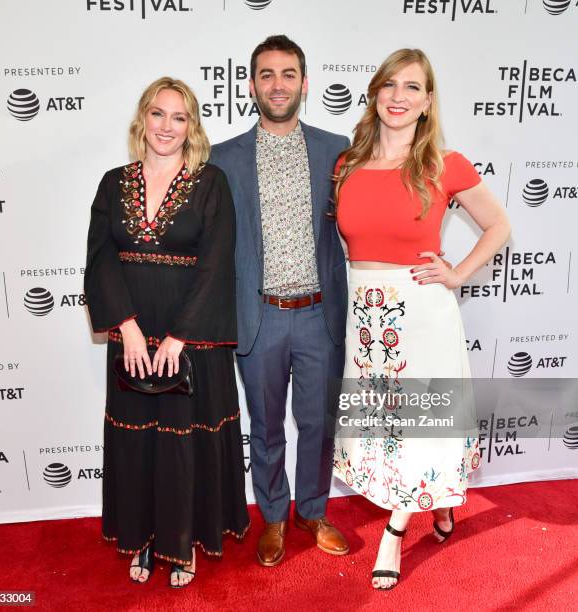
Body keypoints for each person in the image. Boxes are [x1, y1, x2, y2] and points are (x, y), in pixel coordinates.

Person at [332, 48, 511, 590]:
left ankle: (393, 531)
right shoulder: (347, 165)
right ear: (375, 93)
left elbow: (498, 225)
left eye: (412, 87)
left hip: (421, 314)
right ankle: (436, 501)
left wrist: (457, 274)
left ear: (428, 101)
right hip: (366, 315)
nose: (399, 97)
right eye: (390, 85)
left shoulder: (444, 164)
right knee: (386, 428)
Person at [84, 77, 249, 588]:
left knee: (183, 444)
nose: (167, 126)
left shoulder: (211, 182)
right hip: (134, 332)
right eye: (159, 114)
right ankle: (145, 538)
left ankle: (184, 543)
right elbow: (100, 257)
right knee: (138, 443)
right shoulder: (114, 182)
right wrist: (127, 328)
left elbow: (217, 264)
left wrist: (179, 338)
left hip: (192, 338)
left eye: (179, 117)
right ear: (143, 119)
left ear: (191, 127)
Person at [210, 35, 350, 567]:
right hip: (259, 316)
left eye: (288, 74)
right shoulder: (223, 160)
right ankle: (272, 517)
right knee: (266, 426)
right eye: (267, 75)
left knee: (318, 423)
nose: (278, 85)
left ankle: (312, 511)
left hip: (320, 313)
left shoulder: (336, 149)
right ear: (251, 85)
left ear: (305, 84)